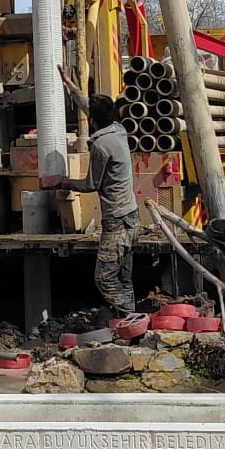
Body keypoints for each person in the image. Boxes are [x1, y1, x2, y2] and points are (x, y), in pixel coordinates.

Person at [43, 64, 140, 317]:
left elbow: (91, 184)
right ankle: (131, 323)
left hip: (117, 221)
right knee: (123, 277)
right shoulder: (118, 129)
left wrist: (63, 182)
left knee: (104, 277)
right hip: (132, 216)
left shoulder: (101, 145)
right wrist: (70, 84)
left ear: (93, 121)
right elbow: (89, 107)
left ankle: (131, 316)